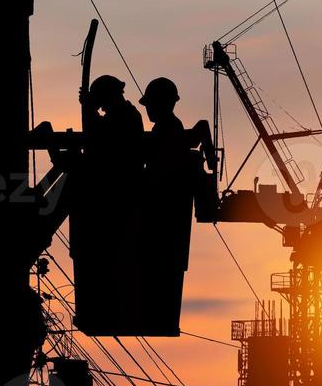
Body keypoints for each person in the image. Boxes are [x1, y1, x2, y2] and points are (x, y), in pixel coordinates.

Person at [135, 77, 216, 336]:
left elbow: (184, 142)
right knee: (165, 269)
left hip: (165, 210)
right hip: (167, 211)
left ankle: (155, 316)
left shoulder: (167, 129)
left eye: (150, 104)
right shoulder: (169, 128)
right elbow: (197, 132)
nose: (147, 109)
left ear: (161, 104)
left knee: (161, 269)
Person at [69, 74, 144, 336]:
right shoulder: (123, 115)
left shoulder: (126, 116)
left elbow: (102, 140)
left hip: (117, 194)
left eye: (100, 100)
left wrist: (88, 111)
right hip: (114, 192)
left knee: (103, 251)